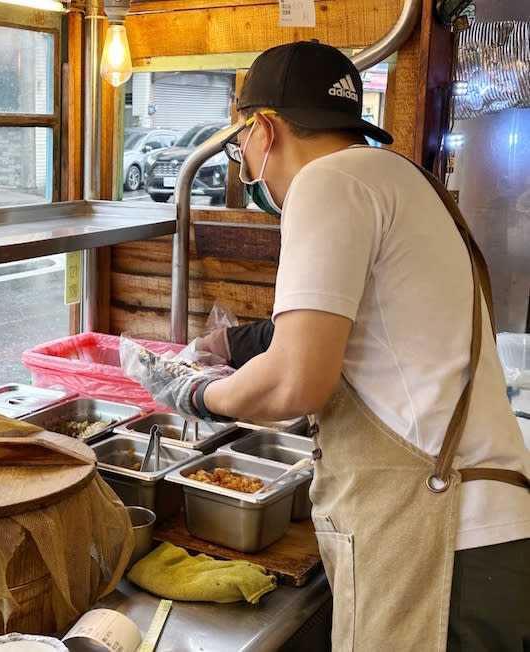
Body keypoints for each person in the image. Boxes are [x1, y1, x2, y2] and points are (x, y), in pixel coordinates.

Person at [131, 41, 530, 650]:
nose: (243, 162)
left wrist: (196, 395)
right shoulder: (400, 177)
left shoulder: (327, 182)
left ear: (261, 128)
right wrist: (230, 347)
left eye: (240, 145)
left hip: (440, 543)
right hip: (483, 537)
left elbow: (297, 381)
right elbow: (348, 328)